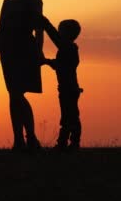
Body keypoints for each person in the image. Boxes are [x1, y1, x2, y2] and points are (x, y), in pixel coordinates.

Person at [0, 0, 46, 151]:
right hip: (8, 51)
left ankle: (28, 137)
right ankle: (20, 139)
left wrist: (39, 51)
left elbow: (39, 29)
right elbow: (0, 29)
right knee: (13, 95)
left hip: (25, 49)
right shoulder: (7, 1)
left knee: (17, 94)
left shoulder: (34, 0)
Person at [41, 17, 83, 151]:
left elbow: (61, 64)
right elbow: (61, 65)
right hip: (68, 88)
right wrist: (48, 62)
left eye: (61, 31)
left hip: (68, 88)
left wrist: (45, 23)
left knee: (69, 117)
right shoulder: (70, 48)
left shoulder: (67, 47)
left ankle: (67, 143)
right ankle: (68, 142)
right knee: (70, 116)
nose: (58, 33)